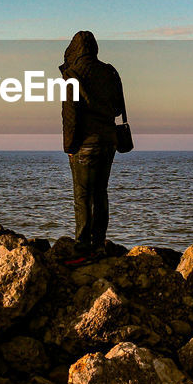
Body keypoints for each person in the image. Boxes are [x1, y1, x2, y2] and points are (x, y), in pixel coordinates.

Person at [60, 30, 126, 264]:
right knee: (101, 194)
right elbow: (118, 108)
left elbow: (70, 114)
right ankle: (98, 245)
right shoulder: (109, 71)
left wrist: (69, 145)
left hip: (84, 144)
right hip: (109, 141)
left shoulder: (73, 74)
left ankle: (82, 248)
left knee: (82, 197)